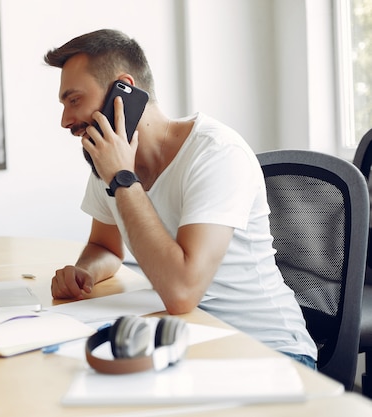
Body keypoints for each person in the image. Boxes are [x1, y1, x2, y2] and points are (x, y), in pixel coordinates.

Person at [43, 29, 317, 368]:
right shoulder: (111, 161)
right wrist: (84, 272)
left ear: (123, 90)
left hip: (269, 352)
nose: (66, 120)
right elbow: (106, 248)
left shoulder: (216, 153)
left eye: (74, 100)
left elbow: (182, 292)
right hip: (187, 340)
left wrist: (123, 180)